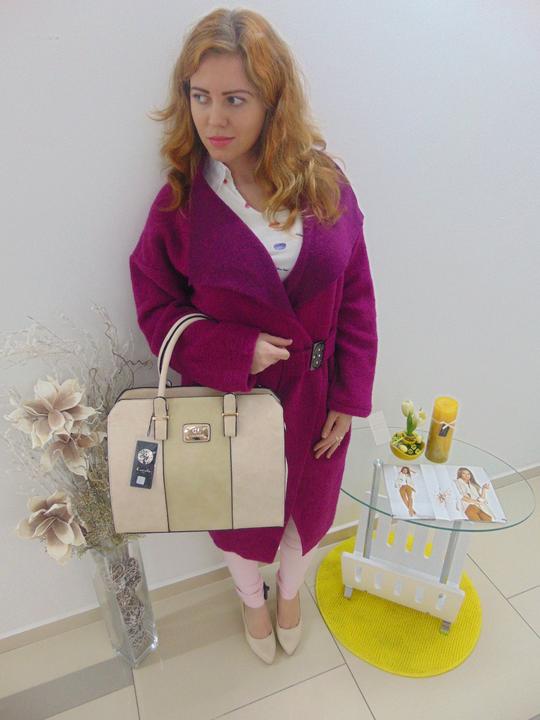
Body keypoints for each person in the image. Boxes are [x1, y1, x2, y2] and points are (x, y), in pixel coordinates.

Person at [129, 8, 378, 663]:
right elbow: (156, 309)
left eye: (235, 99)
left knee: (309, 514)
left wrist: (350, 396)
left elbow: (356, 292)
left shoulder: (325, 185)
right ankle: (250, 599)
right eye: (200, 96)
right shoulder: (181, 206)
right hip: (230, 405)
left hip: (317, 395)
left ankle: (290, 593)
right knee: (238, 520)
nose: (214, 119)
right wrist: (236, 351)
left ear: (273, 101)